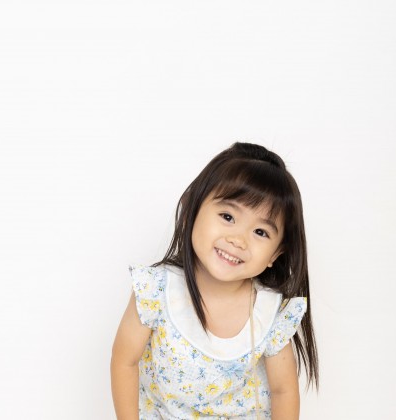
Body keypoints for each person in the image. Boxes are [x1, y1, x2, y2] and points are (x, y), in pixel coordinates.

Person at [111, 142, 319, 419]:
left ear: (275, 254)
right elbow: (124, 362)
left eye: (260, 232)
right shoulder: (156, 290)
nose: (238, 240)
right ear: (191, 210)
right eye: (227, 216)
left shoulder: (269, 312)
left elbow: (283, 391)